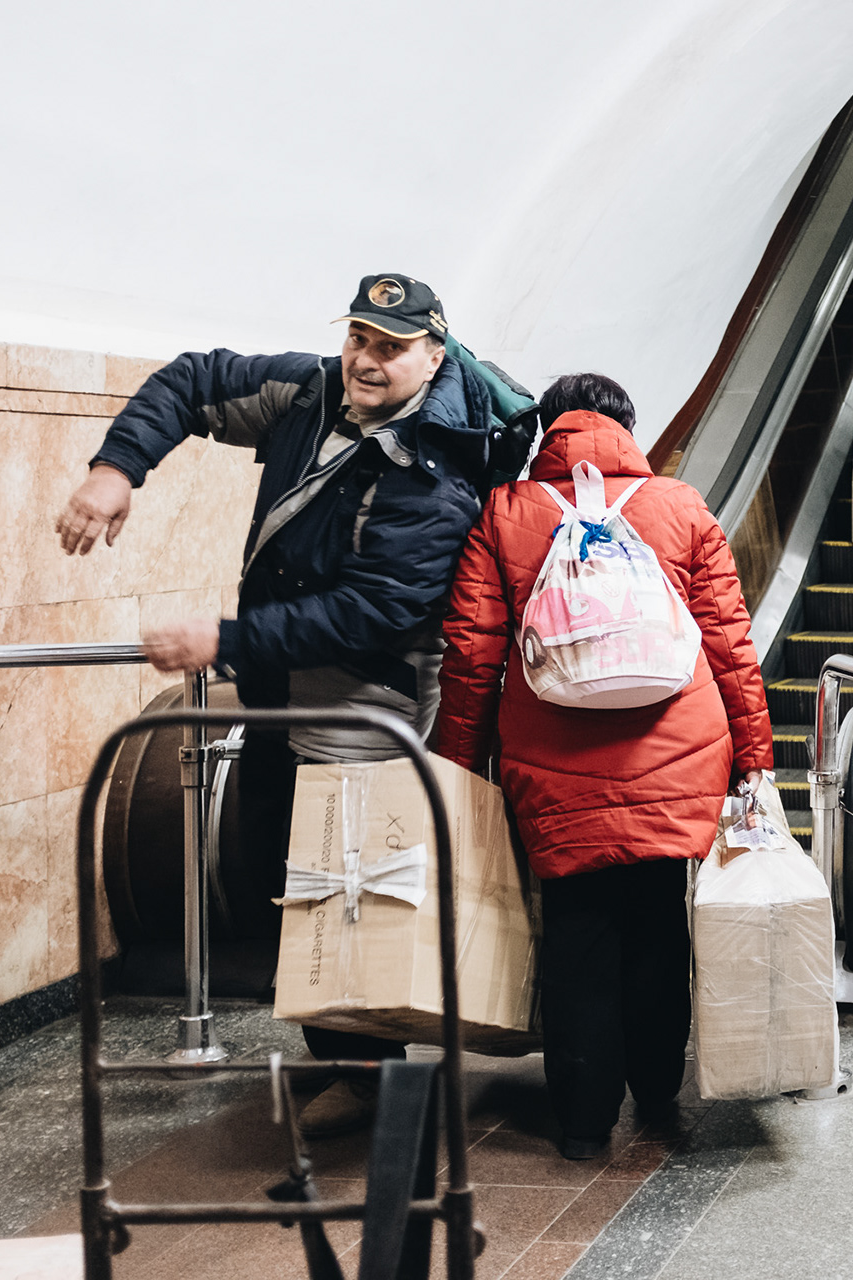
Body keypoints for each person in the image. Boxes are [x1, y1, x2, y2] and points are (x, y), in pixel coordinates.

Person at [56, 273, 524, 1138]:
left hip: (363, 712)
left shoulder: (437, 473)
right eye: (359, 338)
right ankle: (345, 1062)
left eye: (391, 347)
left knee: (343, 895)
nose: (367, 360)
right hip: (279, 697)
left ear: (434, 353)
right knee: (292, 875)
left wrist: (224, 643)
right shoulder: (309, 392)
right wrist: (116, 468)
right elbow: (196, 380)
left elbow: (373, 611)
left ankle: (372, 1079)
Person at [434, 373, 774, 1160]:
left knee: (575, 931)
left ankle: (584, 1123)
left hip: (550, 760)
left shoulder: (507, 512)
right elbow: (729, 640)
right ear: (628, 428)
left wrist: (457, 767)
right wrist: (754, 757)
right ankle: (657, 1096)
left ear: (549, 430)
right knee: (657, 920)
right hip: (676, 752)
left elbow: (472, 655)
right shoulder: (680, 506)